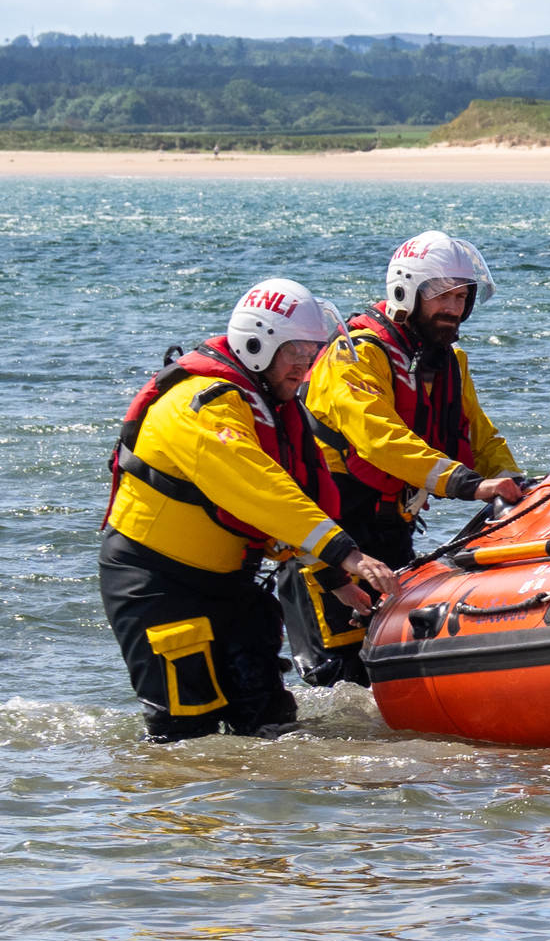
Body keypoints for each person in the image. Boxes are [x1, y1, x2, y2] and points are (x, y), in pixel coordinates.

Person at [101, 280, 400, 742]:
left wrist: (336, 581)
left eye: (313, 350)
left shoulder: (272, 406)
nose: (306, 363)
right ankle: (180, 810)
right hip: (159, 584)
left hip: (232, 585)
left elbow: (304, 498)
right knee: (186, 731)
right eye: (295, 350)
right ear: (256, 344)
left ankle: (272, 812)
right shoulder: (198, 405)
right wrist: (346, 555)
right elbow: (260, 489)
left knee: (271, 720)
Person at [291, 231, 528, 685]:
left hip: (391, 527)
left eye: (462, 297)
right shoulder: (355, 354)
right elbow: (379, 439)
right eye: (442, 297)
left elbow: (480, 435)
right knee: (337, 675)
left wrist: (514, 483)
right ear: (406, 292)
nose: (454, 309)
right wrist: (466, 483)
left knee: (390, 667)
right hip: (332, 533)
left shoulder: (448, 363)